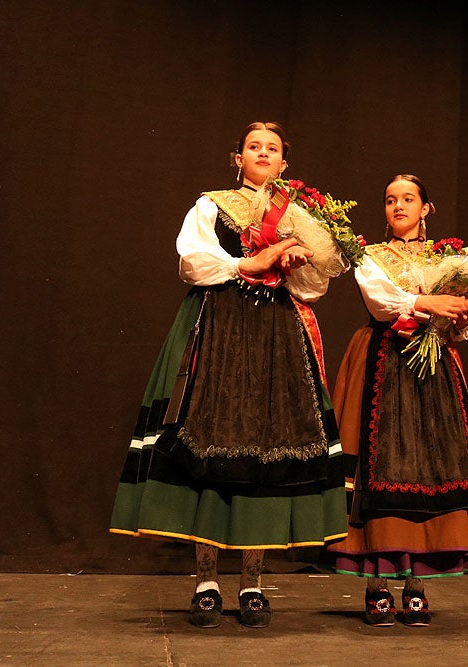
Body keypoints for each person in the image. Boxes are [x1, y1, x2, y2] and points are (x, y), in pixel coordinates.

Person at [109, 121, 349, 629]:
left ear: (285, 163)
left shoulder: (298, 214)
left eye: (273, 149)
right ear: (236, 157)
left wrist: (301, 260)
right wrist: (255, 259)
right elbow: (194, 263)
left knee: (265, 445)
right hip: (220, 327)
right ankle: (206, 581)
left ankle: (254, 583)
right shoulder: (212, 205)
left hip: (275, 336)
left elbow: (311, 289)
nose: (262, 154)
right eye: (253, 147)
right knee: (210, 444)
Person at [327, 174, 468, 627]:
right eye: (390, 200)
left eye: (408, 199)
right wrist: (430, 303)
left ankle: (417, 584)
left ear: (426, 208)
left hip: (435, 367)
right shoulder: (370, 255)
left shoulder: (448, 260)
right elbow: (382, 303)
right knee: (382, 467)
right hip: (383, 359)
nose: (398, 207)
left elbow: (457, 324)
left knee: (428, 464)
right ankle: (377, 585)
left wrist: (460, 313)